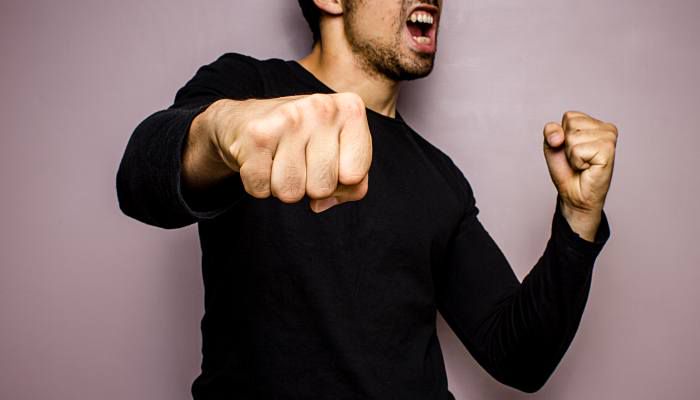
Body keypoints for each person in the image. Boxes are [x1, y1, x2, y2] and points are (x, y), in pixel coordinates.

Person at [116, 0, 617, 398]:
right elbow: (139, 180)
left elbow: (520, 357)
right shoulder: (250, 90)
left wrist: (578, 217)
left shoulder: (441, 178)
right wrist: (223, 130)